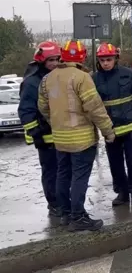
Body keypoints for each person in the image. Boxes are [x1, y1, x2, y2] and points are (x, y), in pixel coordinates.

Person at [38, 40, 115, 231]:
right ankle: (78, 217)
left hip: (60, 139)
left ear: (63, 56)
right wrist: (108, 132)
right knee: (79, 177)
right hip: (81, 139)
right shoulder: (82, 77)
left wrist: (56, 122)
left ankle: (64, 213)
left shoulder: (47, 78)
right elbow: (95, 108)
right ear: (82, 57)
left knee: (62, 175)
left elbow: (43, 107)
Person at [93, 43, 132, 207]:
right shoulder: (94, 79)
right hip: (110, 129)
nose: (106, 63)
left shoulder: (129, 74)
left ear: (115, 59)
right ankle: (122, 193)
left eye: (109, 59)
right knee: (115, 163)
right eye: (103, 60)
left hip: (131, 126)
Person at [18, 41, 61, 218]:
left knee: (63, 171)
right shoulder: (31, 83)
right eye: (50, 60)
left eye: (57, 59)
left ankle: (63, 201)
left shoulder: (57, 76)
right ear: (42, 61)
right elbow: (26, 111)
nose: (54, 63)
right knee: (51, 172)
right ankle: (54, 204)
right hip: (44, 136)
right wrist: (35, 133)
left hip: (61, 134)